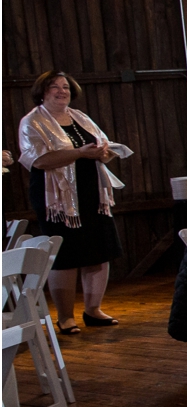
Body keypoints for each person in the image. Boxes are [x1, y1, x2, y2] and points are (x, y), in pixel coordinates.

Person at [18, 71, 127, 334]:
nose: (61, 91)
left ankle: (93, 310)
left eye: (65, 87)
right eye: (54, 87)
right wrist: (79, 153)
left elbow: (101, 147)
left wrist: (104, 152)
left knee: (99, 249)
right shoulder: (32, 121)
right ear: (42, 93)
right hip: (56, 199)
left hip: (92, 192)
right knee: (65, 255)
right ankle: (65, 317)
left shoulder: (80, 117)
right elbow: (39, 161)